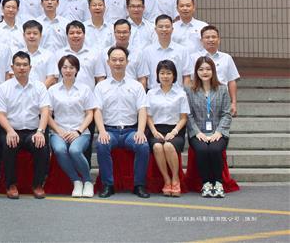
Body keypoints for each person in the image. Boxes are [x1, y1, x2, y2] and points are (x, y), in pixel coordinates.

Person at [94, 46, 151, 199]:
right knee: (102, 144)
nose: (118, 63)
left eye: (121, 60)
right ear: (108, 62)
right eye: (114, 60)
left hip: (130, 131)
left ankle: (139, 185)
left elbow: (142, 110)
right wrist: (102, 131)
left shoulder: (136, 86)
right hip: (109, 130)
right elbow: (97, 110)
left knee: (143, 146)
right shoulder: (101, 87)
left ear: (127, 62)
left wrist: (140, 131)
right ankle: (108, 185)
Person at [0, 51, 51, 199]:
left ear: (30, 68)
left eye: (25, 65)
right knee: (9, 144)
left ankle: (38, 185)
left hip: (33, 130)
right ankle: (11, 185)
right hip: (11, 130)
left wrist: (40, 131)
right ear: (12, 67)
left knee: (41, 145)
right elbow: (1, 114)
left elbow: (45, 110)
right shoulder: (3, 88)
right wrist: (9, 130)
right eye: (18, 65)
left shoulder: (39, 87)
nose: (21, 68)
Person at [47, 54, 97, 198]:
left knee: (75, 150)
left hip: (80, 132)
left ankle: (88, 181)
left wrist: (78, 131)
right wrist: (59, 131)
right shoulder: (52, 90)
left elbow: (90, 114)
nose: (68, 70)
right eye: (65, 67)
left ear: (77, 70)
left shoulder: (85, 89)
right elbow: (47, 115)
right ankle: (76, 181)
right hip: (58, 131)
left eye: (71, 67)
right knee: (59, 149)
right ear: (60, 70)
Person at [186, 56, 232, 198]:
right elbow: (188, 115)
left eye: (208, 69)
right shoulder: (189, 90)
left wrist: (219, 132)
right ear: (196, 72)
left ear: (213, 71)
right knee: (202, 149)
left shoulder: (222, 89)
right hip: (198, 132)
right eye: (201, 69)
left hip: (218, 132)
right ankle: (206, 183)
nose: (204, 72)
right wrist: (197, 132)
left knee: (214, 148)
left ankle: (218, 183)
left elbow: (226, 114)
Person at [145, 60, 190, 197]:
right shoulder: (151, 93)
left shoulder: (180, 94)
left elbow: (183, 118)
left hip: (175, 129)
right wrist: (154, 131)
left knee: (169, 146)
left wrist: (174, 132)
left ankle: (175, 179)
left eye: (169, 73)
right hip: (156, 129)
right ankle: (167, 180)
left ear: (174, 75)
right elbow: (148, 116)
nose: (165, 76)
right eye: (162, 73)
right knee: (157, 146)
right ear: (157, 75)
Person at [194, 26, 240, 116]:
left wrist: (233, 103)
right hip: (200, 99)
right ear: (201, 41)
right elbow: (191, 81)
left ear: (219, 40)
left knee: (223, 123)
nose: (211, 40)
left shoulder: (227, 58)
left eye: (214, 37)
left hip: (222, 99)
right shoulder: (193, 58)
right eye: (207, 37)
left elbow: (231, 81)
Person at [139, 15, 192, 91]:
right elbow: (143, 77)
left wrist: (186, 94)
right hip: (153, 94)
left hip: (177, 94)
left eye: (167, 26)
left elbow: (186, 76)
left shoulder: (182, 50)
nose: (164, 29)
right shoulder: (147, 51)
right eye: (160, 27)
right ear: (155, 29)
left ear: (172, 29)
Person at [48, 21, 106, 91]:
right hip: (63, 95)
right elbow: (54, 78)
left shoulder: (94, 54)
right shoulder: (58, 54)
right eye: (71, 33)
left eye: (78, 33)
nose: (75, 35)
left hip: (87, 96)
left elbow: (100, 78)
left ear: (84, 35)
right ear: (67, 35)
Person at [15, 20, 55, 87]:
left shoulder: (49, 55)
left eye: (35, 33)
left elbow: (51, 78)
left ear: (40, 35)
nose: (31, 36)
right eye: (28, 33)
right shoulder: (16, 55)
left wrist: (39, 91)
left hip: (42, 92)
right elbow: (13, 75)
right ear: (24, 35)